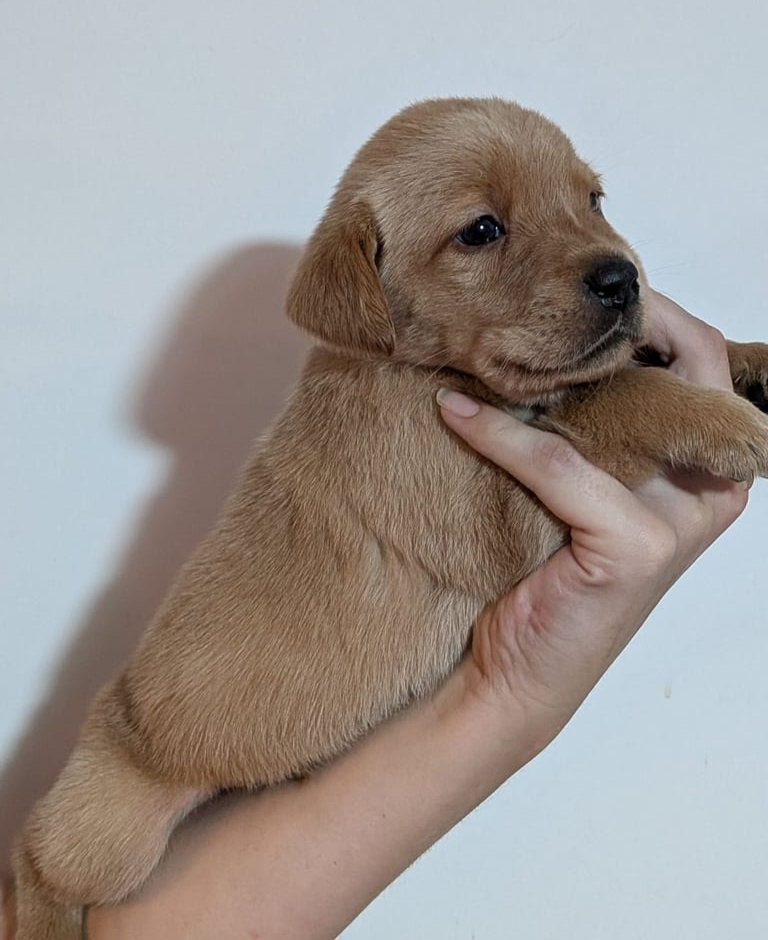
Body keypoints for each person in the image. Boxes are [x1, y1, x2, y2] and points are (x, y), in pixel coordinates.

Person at [85, 293, 749, 940]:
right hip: (163, 752)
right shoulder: (377, 401)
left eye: (592, 199)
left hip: (201, 819)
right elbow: (500, 526)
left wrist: (508, 690)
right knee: (73, 865)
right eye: (482, 232)